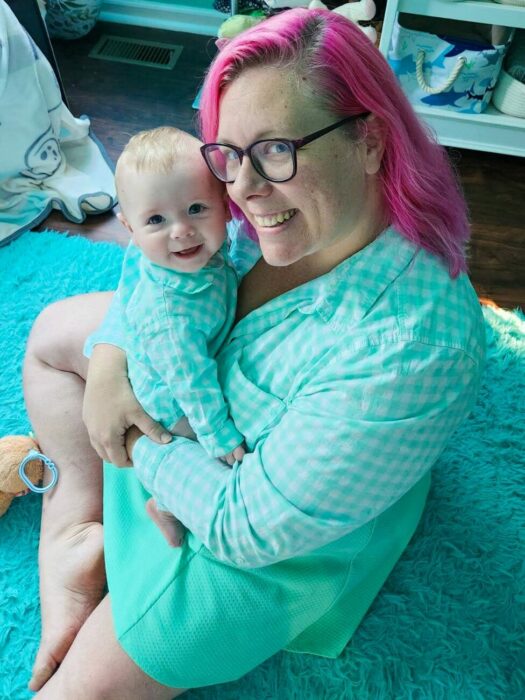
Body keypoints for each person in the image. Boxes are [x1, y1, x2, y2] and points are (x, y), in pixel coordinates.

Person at [23, 7, 485, 698]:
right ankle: (74, 541)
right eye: (229, 154)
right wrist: (114, 363)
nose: (240, 189)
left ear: (369, 141)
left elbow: (245, 528)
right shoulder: (249, 211)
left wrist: (130, 438)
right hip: (192, 407)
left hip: (240, 548)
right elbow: (150, 275)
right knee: (55, 334)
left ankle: (127, 569)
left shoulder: (412, 351)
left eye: (275, 149)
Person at [109, 126, 245, 545]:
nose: (181, 230)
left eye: (197, 208)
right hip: (173, 408)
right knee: (211, 462)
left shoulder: (205, 257)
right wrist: (219, 435)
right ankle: (164, 505)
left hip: (197, 357)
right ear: (128, 227)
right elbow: (191, 380)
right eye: (156, 220)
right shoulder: (168, 313)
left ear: (224, 205)